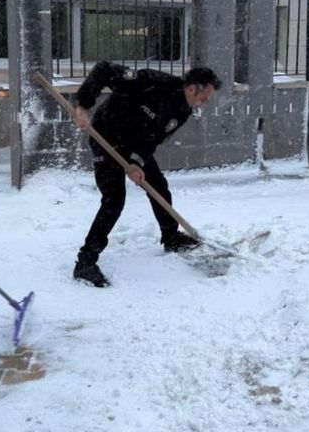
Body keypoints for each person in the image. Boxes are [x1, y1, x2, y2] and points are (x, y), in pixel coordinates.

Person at [70, 61, 222, 287]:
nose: (203, 104)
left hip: (132, 145)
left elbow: (153, 139)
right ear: (192, 88)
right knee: (114, 199)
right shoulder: (152, 82)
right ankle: (85, 262)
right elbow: (104, 70)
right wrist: (82, 107)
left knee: (158, 185)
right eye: (204, 98)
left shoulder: (182, 111)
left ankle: (170, 237)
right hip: (106, 137)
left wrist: (136, 163)